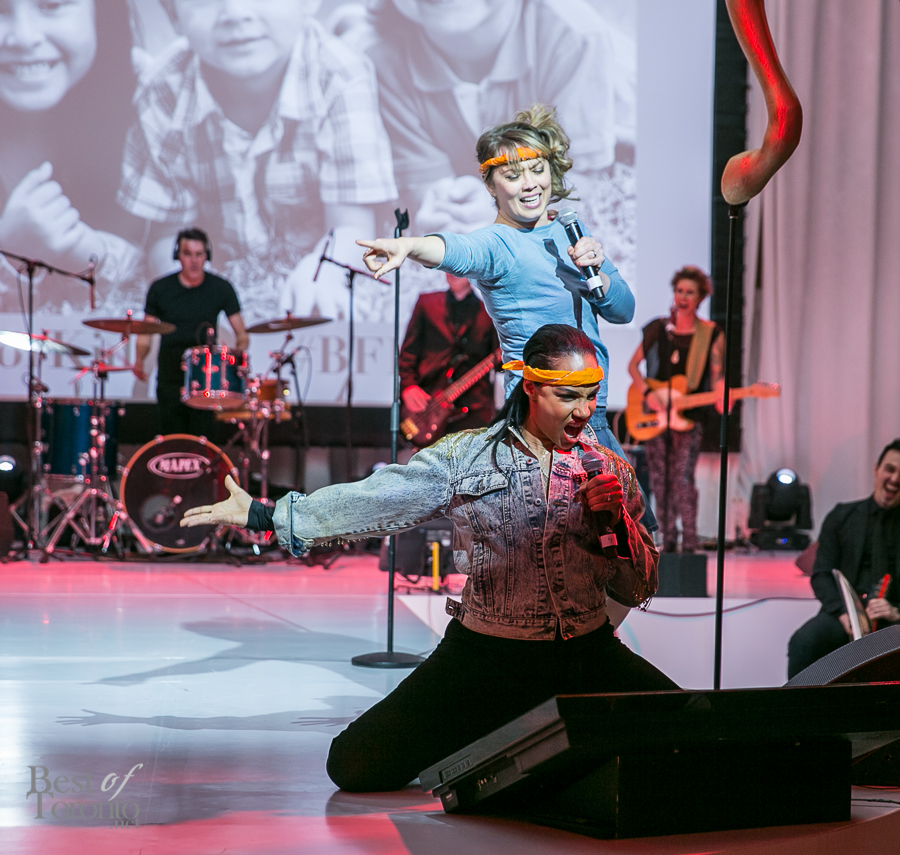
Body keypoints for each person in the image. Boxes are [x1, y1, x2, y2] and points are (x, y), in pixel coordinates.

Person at [181, 324, 678, 791]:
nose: (583, 411)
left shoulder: (610, 470)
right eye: (568, 396)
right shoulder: (468, 457)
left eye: (591, 396)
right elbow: (376, 498)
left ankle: (526, 742)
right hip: (486, 656)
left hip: (584, 653)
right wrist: (267, 514)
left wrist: (618, 522)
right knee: (353, 764)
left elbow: (640, 586)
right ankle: (509, 736)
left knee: (698, 734)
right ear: (529, 387)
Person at [357, 105, 635, 459]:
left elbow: (624, 311)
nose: (530, 184)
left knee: (626, 497)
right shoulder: (498, 243)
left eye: (538, 170)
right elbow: (458, 249)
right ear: (491, 185)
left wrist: (600, 275)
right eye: (513, 175)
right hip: (544, 423)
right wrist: (409, 245)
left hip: (591, 413)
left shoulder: (571, 231)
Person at [117, 0, 397, 322]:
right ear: (173, 14)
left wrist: (328, 268)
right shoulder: (163, 91)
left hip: (313, 247)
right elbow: (167, 234)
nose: (236, 14)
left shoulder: (340, 75)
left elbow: (352, 226)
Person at [365, 0, 634, 235]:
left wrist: (508, 211)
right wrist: (441, 206)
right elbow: (424, 187)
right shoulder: (378, 60)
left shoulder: (573, 37)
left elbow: (582, 180)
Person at [0, 0, 141, 312]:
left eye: (51, 5)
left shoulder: (161, 97)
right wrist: (8, 254)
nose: (24, 37)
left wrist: (92, 255)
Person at [627, 266, 724, 553]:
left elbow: (717, 376)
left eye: (689, 292)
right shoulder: (659, 329)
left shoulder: (710, 333)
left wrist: (723, 394)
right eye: (679, 291)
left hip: (689, 417)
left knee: (683, 479)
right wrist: (648, 394)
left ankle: (690, 542)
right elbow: (633, 366)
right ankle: (667, 542)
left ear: (700, 298)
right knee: (660, 481)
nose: (682, 297)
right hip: (655, 415)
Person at [787, 440, 900, 679]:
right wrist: (843, 613)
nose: (895, 479)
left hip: (894, 619)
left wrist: (896, 612)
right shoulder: (841, 517)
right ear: (876, 469)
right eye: (890, 469)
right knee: (804, 642)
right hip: (843, 615)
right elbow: (821, 574)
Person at [133, 227, 249, 437]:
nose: (194, 261)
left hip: (206, 378)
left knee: (202, 440)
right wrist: (139, 359)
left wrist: (238, 357)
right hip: (170, 376)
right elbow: (146, 331)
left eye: (199, 254)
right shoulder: (160, 288)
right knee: (171, 439)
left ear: (207, 256)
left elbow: (242, 333)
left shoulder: (221, 288)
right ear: (177, 255)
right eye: (187, 254)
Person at [399, 273, 499, 442]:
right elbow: (408, 353)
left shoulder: (489, 313)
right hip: (429, 403)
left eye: (459, 269)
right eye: (449, 268)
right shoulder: (427, 303)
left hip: (474, 408)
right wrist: (408, 386)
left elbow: (500, 362)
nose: (453, 273)